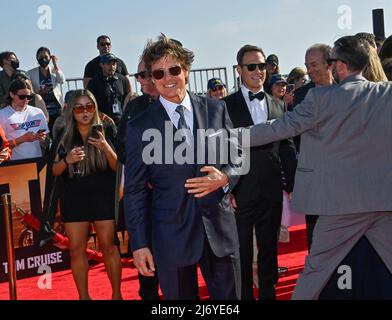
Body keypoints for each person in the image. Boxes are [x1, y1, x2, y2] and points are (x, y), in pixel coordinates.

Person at [241, 35, 392, 300]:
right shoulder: (387, 92)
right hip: (384, 202)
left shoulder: (320, 99)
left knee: (315, 270)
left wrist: (226, 138)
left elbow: (276, 129)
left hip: (341, 208)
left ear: (341, 66)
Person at [124, 34, 242, 300]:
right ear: (152, 79)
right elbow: (135, 190)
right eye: (159, 72)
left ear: (186, 70)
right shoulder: (139, 126)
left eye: (174, 69)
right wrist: (140, 244)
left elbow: (238, 155)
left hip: (219, 231)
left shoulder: (217, 109)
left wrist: (225, 177)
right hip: (170, 236)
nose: (168, 78)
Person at [223, 45, 296, 300]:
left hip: (271, 189)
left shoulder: (278, 105)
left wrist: (293, 185)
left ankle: (269, 294)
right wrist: (226, 188)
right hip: (239, 191)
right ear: (239, 70)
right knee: (241, 251)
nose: (258, 71)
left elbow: (286, 147)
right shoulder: (225, 106)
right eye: (251, 66)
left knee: (269, 249)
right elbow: (219, 148)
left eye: (261, 66)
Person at [48, 89, 122, 300]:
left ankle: (117, 295)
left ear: (95, 108)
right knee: (76, 250)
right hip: (74, 198)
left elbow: (118, 168)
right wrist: (66, 160)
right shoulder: (63, 134)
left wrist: (106, 148)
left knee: (109, 247)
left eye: (89, 107)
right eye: (79, 108)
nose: (85, 112)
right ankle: (84, 297)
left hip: (102, 197)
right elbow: (53, 171)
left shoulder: (107, 129)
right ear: (72, 111)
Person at [116, 59, 160, 300]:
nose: (145, 79)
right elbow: (121, 147)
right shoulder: (134, 108)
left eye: (149, 73)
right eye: (141, 74)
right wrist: (147, 174)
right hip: (144, 196)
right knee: (147, 260)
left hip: (178, 197)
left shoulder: (177, 104)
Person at [292, 44, 334, 251]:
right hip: (313, 177)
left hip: (344, 179)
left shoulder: (346, 89)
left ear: (330, 63)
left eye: (314, 64)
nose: (309, 70)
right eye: (307, 65)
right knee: (315, 237)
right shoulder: (301, 96)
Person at [0, 79, 48, 161]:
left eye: (29, 97)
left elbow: (46, 140)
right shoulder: (2, 115)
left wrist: (42, 138)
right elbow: (2, 146)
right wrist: (23, 139)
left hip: (37, 161)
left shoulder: (38, 112)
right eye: (22, 97)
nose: (26, 100)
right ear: (12, 94)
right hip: (14, 164)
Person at [27, 47, 65, 133]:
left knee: (58, 132)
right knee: (44, 131)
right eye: (40, 56)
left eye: (46, 56)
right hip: (41, 106)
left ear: (50, 58)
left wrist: (55, 64)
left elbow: (62, 80)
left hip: (56, 105)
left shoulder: (54, 70)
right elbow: (29, 89)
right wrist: (38, 93)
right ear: (37, 58)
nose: (43, 59)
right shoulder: (31, 73)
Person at [87, 53, 130, 125]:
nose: (112, 66)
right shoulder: (93, 82)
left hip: (121, 121)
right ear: (102, 65)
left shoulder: (122, 80)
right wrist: (103, 117)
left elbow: (128, 98)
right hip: (104, 122)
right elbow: (90, 105)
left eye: (114, 64)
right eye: (109, 64)